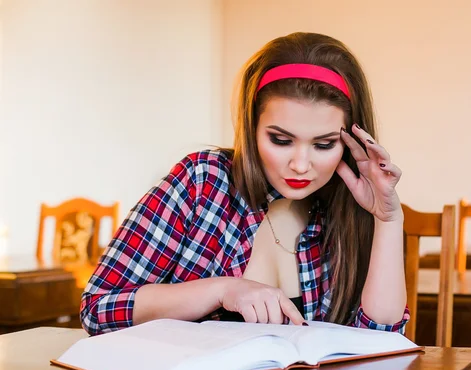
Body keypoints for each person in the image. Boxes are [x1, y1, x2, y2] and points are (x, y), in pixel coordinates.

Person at [80, 32, 409, 336]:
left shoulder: (345, 208)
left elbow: (379, 338)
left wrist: (387, 221)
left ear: (349, 144)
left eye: (323, 145)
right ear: (251, 128)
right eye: (280, 140)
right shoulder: (201, 182)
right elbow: (98, 309)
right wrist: (222, 290)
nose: (300, 165)